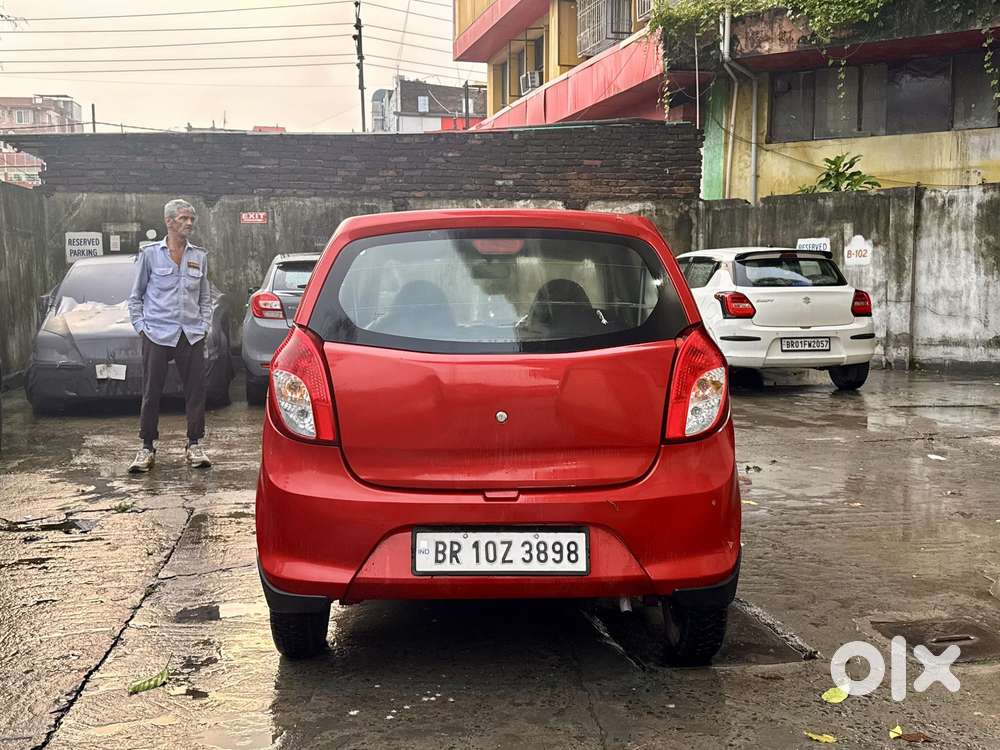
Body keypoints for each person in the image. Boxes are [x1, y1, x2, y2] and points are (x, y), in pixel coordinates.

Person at [127, 199, 213, 472]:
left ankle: (194, 444)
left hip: (190, 334)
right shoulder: (151, 255)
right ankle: (146, 447)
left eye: (191, 219)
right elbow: (135, 296)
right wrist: (141, 327)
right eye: (184, 218)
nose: (189, 223)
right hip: (157, 333)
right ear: (169, 221)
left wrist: (204, 326)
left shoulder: (199, 256)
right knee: (152, 392)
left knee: (196, 392)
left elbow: (205, 297)